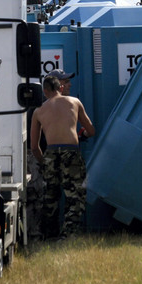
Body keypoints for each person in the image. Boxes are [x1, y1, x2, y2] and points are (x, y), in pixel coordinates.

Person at [29, 75, 96, 238]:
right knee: (75, 196)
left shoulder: (38, 111)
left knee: (50, 197)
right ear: (60, 88)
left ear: (45, 91)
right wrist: (83, 134)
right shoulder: (74, 102)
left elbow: (34, 147)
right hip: (71, 152)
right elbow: (91, 130)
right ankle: (68, 235)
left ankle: (49, 234)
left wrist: (44, 162)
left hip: (50, 154)